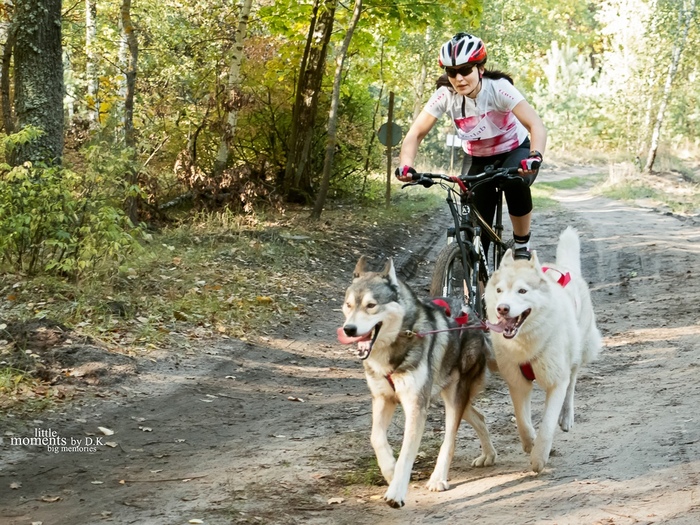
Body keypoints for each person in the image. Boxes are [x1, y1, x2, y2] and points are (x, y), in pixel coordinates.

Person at [396, 32, 547, 261]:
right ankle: (475, 290)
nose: (459, 79)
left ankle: (521, 244)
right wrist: (406, 166)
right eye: (452, 72)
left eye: (466, 70)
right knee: (478, 229)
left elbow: (535, 124)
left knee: (514, 182)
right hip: (477, 157)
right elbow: (415, 133)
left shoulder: (499, 88)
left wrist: (535, 156)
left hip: (514, 150)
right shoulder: (445, 95)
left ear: (480, 69)